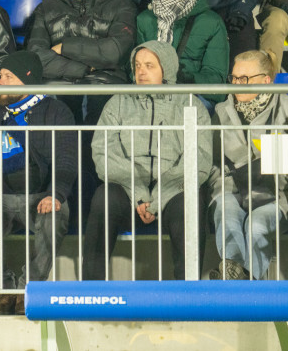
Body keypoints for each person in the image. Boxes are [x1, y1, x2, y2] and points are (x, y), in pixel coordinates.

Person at [0, 51, 77, 315]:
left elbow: (67, 160)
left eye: (7, 77)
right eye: (0, 76)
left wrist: (55, 194)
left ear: (27, 80)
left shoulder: (55, 111)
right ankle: (7, 289)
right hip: (1, 197)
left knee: (56, 214)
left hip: (41, 196)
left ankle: (29, 291)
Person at [84, 41, 213, 280]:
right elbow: (104, 151)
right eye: (137, 65)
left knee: (191, 203)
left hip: (173, 190)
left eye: (149, 65)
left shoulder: (191, 104)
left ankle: (188, 294)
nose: (141, 71)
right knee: (103, 198)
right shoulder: (118, 102)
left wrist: (160, 196)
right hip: (129, 189)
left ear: (167, 69)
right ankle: (93, 290)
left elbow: (198, 159)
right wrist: (139, 193)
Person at [208, 50, 288, 280]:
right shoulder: (221, 111)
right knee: (226, 213)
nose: (237, 84)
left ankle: (237, 281)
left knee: (257, 224)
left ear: (266, 80)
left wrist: (260, 166)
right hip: (233, 188)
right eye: (235, 77)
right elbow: (214, 163)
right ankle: (241, 279)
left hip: (278, 193)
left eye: (245, 79)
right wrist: (230, 180)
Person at [28, 0, 136, 124]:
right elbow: (34, 59)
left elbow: (115, 51)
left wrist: (65, 47)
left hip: (104, 86)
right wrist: (85, 68)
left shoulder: (122, 6)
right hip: (57, 85)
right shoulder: (48, 8)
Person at [137, 0, 229, 101]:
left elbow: (216, 77)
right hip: (149, 95)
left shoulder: (211, 23)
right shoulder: (145, 19)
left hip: (192, 96)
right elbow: (132, 68)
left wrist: (181, 78)